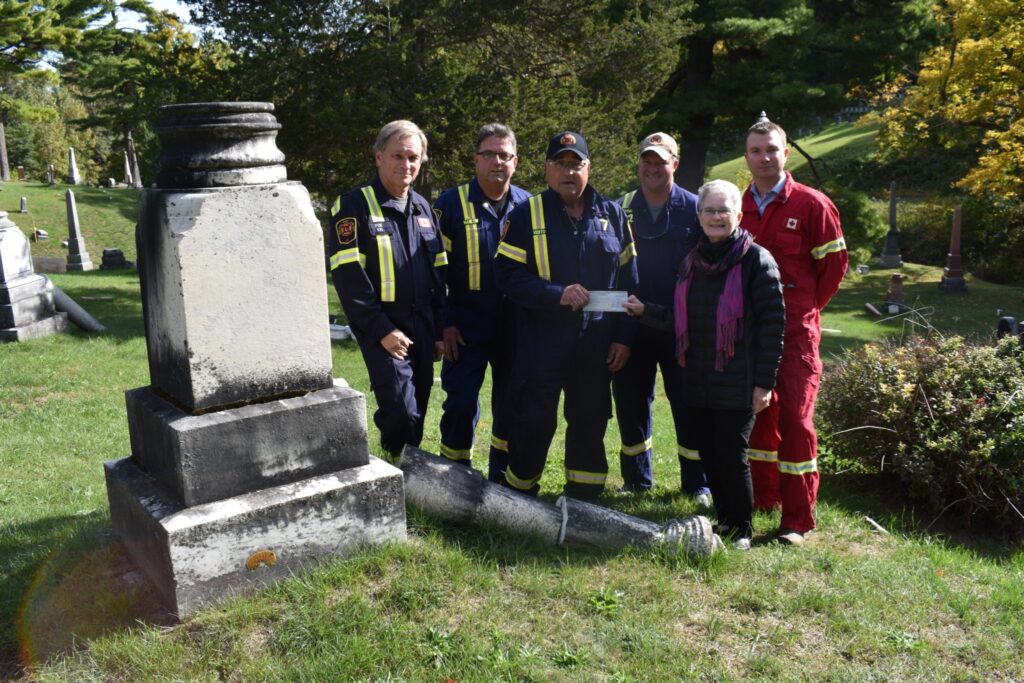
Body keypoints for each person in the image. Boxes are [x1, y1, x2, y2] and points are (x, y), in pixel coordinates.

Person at [624, 179, 784, 549]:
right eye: (709, 210)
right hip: (698, 377)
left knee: (731, 454)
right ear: (698, 216)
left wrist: (764, 383)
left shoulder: (756, 261)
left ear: (738, 214)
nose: (716, 216)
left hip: (739, 379)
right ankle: (725, 520)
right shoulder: (693, 261)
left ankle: (742, 528)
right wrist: (645, 310)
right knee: (710, 452)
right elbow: (684, 322)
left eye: (723, 209)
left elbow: (774, 327)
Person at [494, 130, 638, 500]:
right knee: (533, 421)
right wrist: (557, 295)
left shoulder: (614, 214)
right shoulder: (526, 214)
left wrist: (623, 337)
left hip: (596, 343)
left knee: (590, 421)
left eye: (576, 164)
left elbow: (629, 282)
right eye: (560, 163)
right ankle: (519, 496)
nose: (568, 172)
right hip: (541, 341)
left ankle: (583, 499)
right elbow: (507, 277)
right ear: (546, 169)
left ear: (589, 169)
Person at [740, 116, 848, 546]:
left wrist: (804, 309)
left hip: (796, 334)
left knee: (798, 421)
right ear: (746, 157)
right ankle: (763, 498)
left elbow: (833, 271)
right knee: (757, 418)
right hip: (749, 332)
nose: (764, 157)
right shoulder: (737, 205)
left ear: (786, 153)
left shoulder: (812, 205)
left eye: (771, 150)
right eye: (755, 150)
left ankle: (797, 520)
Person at [327, 120, 448, 461]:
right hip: (383, 323)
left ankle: (406, 477)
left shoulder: (424, 209)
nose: (406, 164)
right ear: (379, 156)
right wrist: (382, 329)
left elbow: (440, 275)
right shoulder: (353, 206)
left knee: (418, 408)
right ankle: (394, 472)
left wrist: (438, 330)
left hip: (423, 322)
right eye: (398, 155)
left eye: (413, 157)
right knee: (401, 410)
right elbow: (349, 278)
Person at [613, 132, 711, 501]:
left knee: (689, 405)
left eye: (661, 160)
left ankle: (697, 483)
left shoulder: (697, 208)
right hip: (632, 327)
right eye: (647, 161)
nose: (653, 168)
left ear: (676, 163)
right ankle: (637, 482)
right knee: (631, 403)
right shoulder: (618, 209)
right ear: (639, 164)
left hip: (681, 329)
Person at [433, 124, 531, 481]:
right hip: (465, 325)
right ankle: (454, 475)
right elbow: (435, 272)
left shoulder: (528, 205)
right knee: (460, 402)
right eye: (489, 154)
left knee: (510, 405)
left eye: (504, 155)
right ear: (475, 159)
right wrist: (444, 323)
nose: (497, 162)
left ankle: (500, 477)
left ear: (515, 162)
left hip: (515, 328)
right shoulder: (449, 204)